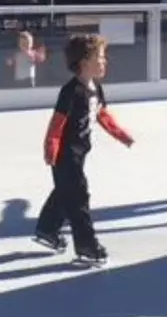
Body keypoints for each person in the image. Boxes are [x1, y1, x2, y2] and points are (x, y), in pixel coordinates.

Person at [34, 34, 134, 267]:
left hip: (79, 153)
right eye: (99, 57)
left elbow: (102, 115)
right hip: (64, 154)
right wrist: (51, 148)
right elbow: (57, 123)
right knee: (78, 196)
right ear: (83, 62)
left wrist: (122, 135)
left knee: (64, 192)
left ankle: (47, 229)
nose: (104, 61)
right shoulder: (71, 92)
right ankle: (87, 245)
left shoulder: (96, 88)